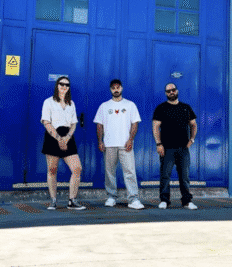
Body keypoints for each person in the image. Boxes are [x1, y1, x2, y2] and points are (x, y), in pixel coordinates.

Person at [94, 79, 144, 210]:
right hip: (109, 144)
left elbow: (135, 123)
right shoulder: (104, 106)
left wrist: (130, 139)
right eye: (113, 88)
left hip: (125, 144)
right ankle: (111, 197)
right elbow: (99, 125)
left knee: (129, 171)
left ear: (121, 88)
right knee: (109, 172)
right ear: (110, 89)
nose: (116, 90)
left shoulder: (130, 105)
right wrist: (100, 141)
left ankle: (133, 199)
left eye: (118, 87)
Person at [41, 76, 86, 210]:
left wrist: (67, 138)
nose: (64, 87)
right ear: (57, 85)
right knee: (52, 169)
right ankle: (53, 200)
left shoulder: (71, 104)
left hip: (68, 136)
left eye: (67, 85)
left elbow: (73, 124)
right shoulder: (48, 102)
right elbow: (46, 122)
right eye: (61, 84)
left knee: (77, 168)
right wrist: (58, 138)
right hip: (52, 136)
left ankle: (72, 200)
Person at [152, 83, 198, 210]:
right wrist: (159, 144)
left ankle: (187, 201)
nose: (171, 92)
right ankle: (164, 200)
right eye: (168, 91)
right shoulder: (161, 108)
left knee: (184, 176)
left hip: (183, 148)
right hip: (166, 148)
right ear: (166, 93)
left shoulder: (186, 108)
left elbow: (193, 124)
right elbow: (155, 127)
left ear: (177, 91)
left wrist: (192, 139)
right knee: (165, 175)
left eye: (173, 90)